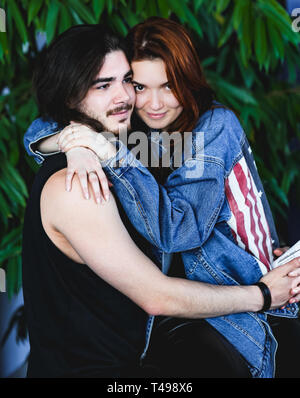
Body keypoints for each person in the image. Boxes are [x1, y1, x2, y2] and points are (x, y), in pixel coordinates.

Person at [23, 22, 300, 378]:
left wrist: (105, 152)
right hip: (182, 315)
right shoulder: (123, 134)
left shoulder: (211, 126)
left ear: (187, 80)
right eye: (138, 86)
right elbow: (40, 128)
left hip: (234, 289)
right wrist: (75, 143)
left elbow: (180, 231)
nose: (145, 101)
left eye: (167, 86)